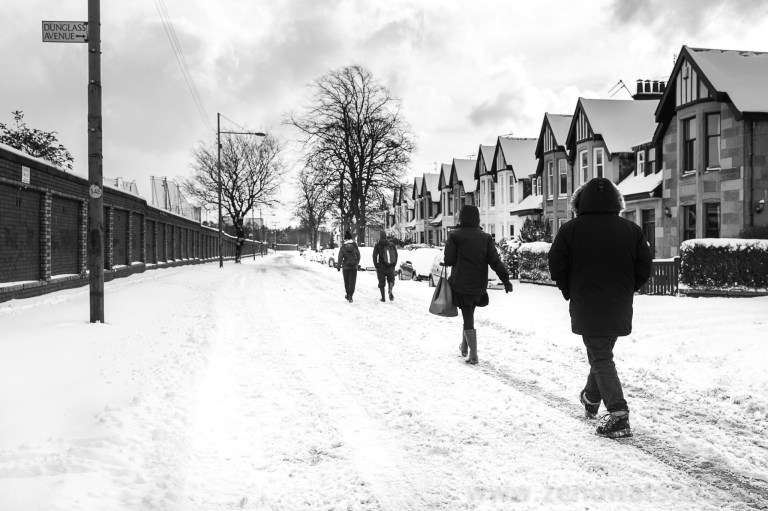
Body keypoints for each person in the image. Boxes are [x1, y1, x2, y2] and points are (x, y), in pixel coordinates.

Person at [548, 177, 652, 439]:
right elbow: (644, 267)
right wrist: (628, 287)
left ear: (580, 201)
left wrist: (567, 289)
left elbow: (556, 263)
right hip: (619, 304)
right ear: (617, 201)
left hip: (587, 303)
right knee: (601, 352)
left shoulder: (571, 229)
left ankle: (618, 414)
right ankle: (591, 398)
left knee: (601, 356)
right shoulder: (632, 230)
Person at [443, 205, 513, 365]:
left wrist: (447, 257)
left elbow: (450, 260)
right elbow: (495, 261)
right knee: (469, 314)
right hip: (478, 285)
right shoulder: (485, 237)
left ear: (461, 217)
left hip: (461, 283)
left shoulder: (455, 236)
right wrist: (506, 280)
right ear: (477, 218)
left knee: (467, 315)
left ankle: (473, 354)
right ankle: (464, 347)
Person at [372, 231, 398, 302]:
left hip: (381, 267)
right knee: (391, 280)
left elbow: (374, 256)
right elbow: (396, 255)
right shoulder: (391, 245)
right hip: (390, 267)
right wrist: (393, 265)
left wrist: (376, 266)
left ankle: (383, 298)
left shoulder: (378, 245)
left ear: (380, 236)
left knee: (381, 282)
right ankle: (390, 290)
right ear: (386, 236)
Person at [336, 230, 361, 303]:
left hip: (345, 267)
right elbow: (359, 256)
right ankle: (351, 295)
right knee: (352, 281)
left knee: (346, 281)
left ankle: (347, 294)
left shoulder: (343, 247)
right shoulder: (355, 246)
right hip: (354, 267)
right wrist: (356, 263)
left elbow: (340, 257)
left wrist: (338, 266)